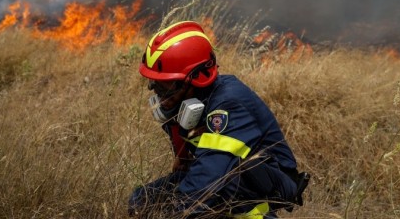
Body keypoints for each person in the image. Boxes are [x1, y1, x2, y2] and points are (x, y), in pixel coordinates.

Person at [128, 20, 309, 218]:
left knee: (218, 189)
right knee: (142, 199)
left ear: (196, 77)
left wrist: (175, 212)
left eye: (167, 85)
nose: (158, 93)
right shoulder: (186, 102)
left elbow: (207, 179)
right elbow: (187, 164)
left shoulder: (228, 104)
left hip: (263, 182)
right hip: (223, 171)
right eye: (155, 83)